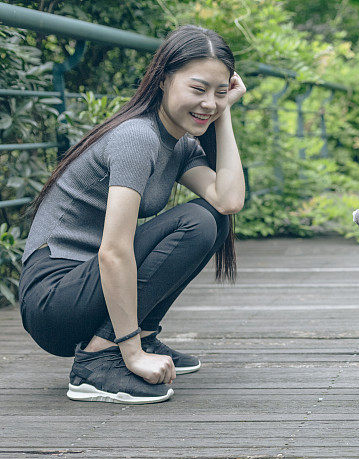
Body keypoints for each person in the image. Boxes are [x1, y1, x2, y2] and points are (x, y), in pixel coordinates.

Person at [17, 25, 247, 404]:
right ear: (163, 80)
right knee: (196, 222)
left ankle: (142, 334)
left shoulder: (180, 145)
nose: (209, 102)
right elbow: (113, 251)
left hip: (84, 287)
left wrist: (224, 113)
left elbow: (228, 200)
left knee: (214, 217)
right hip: (53, 299)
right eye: (198, 89)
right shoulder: (137, 138)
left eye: (219, 92)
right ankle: (98, 361)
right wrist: (130, 354)